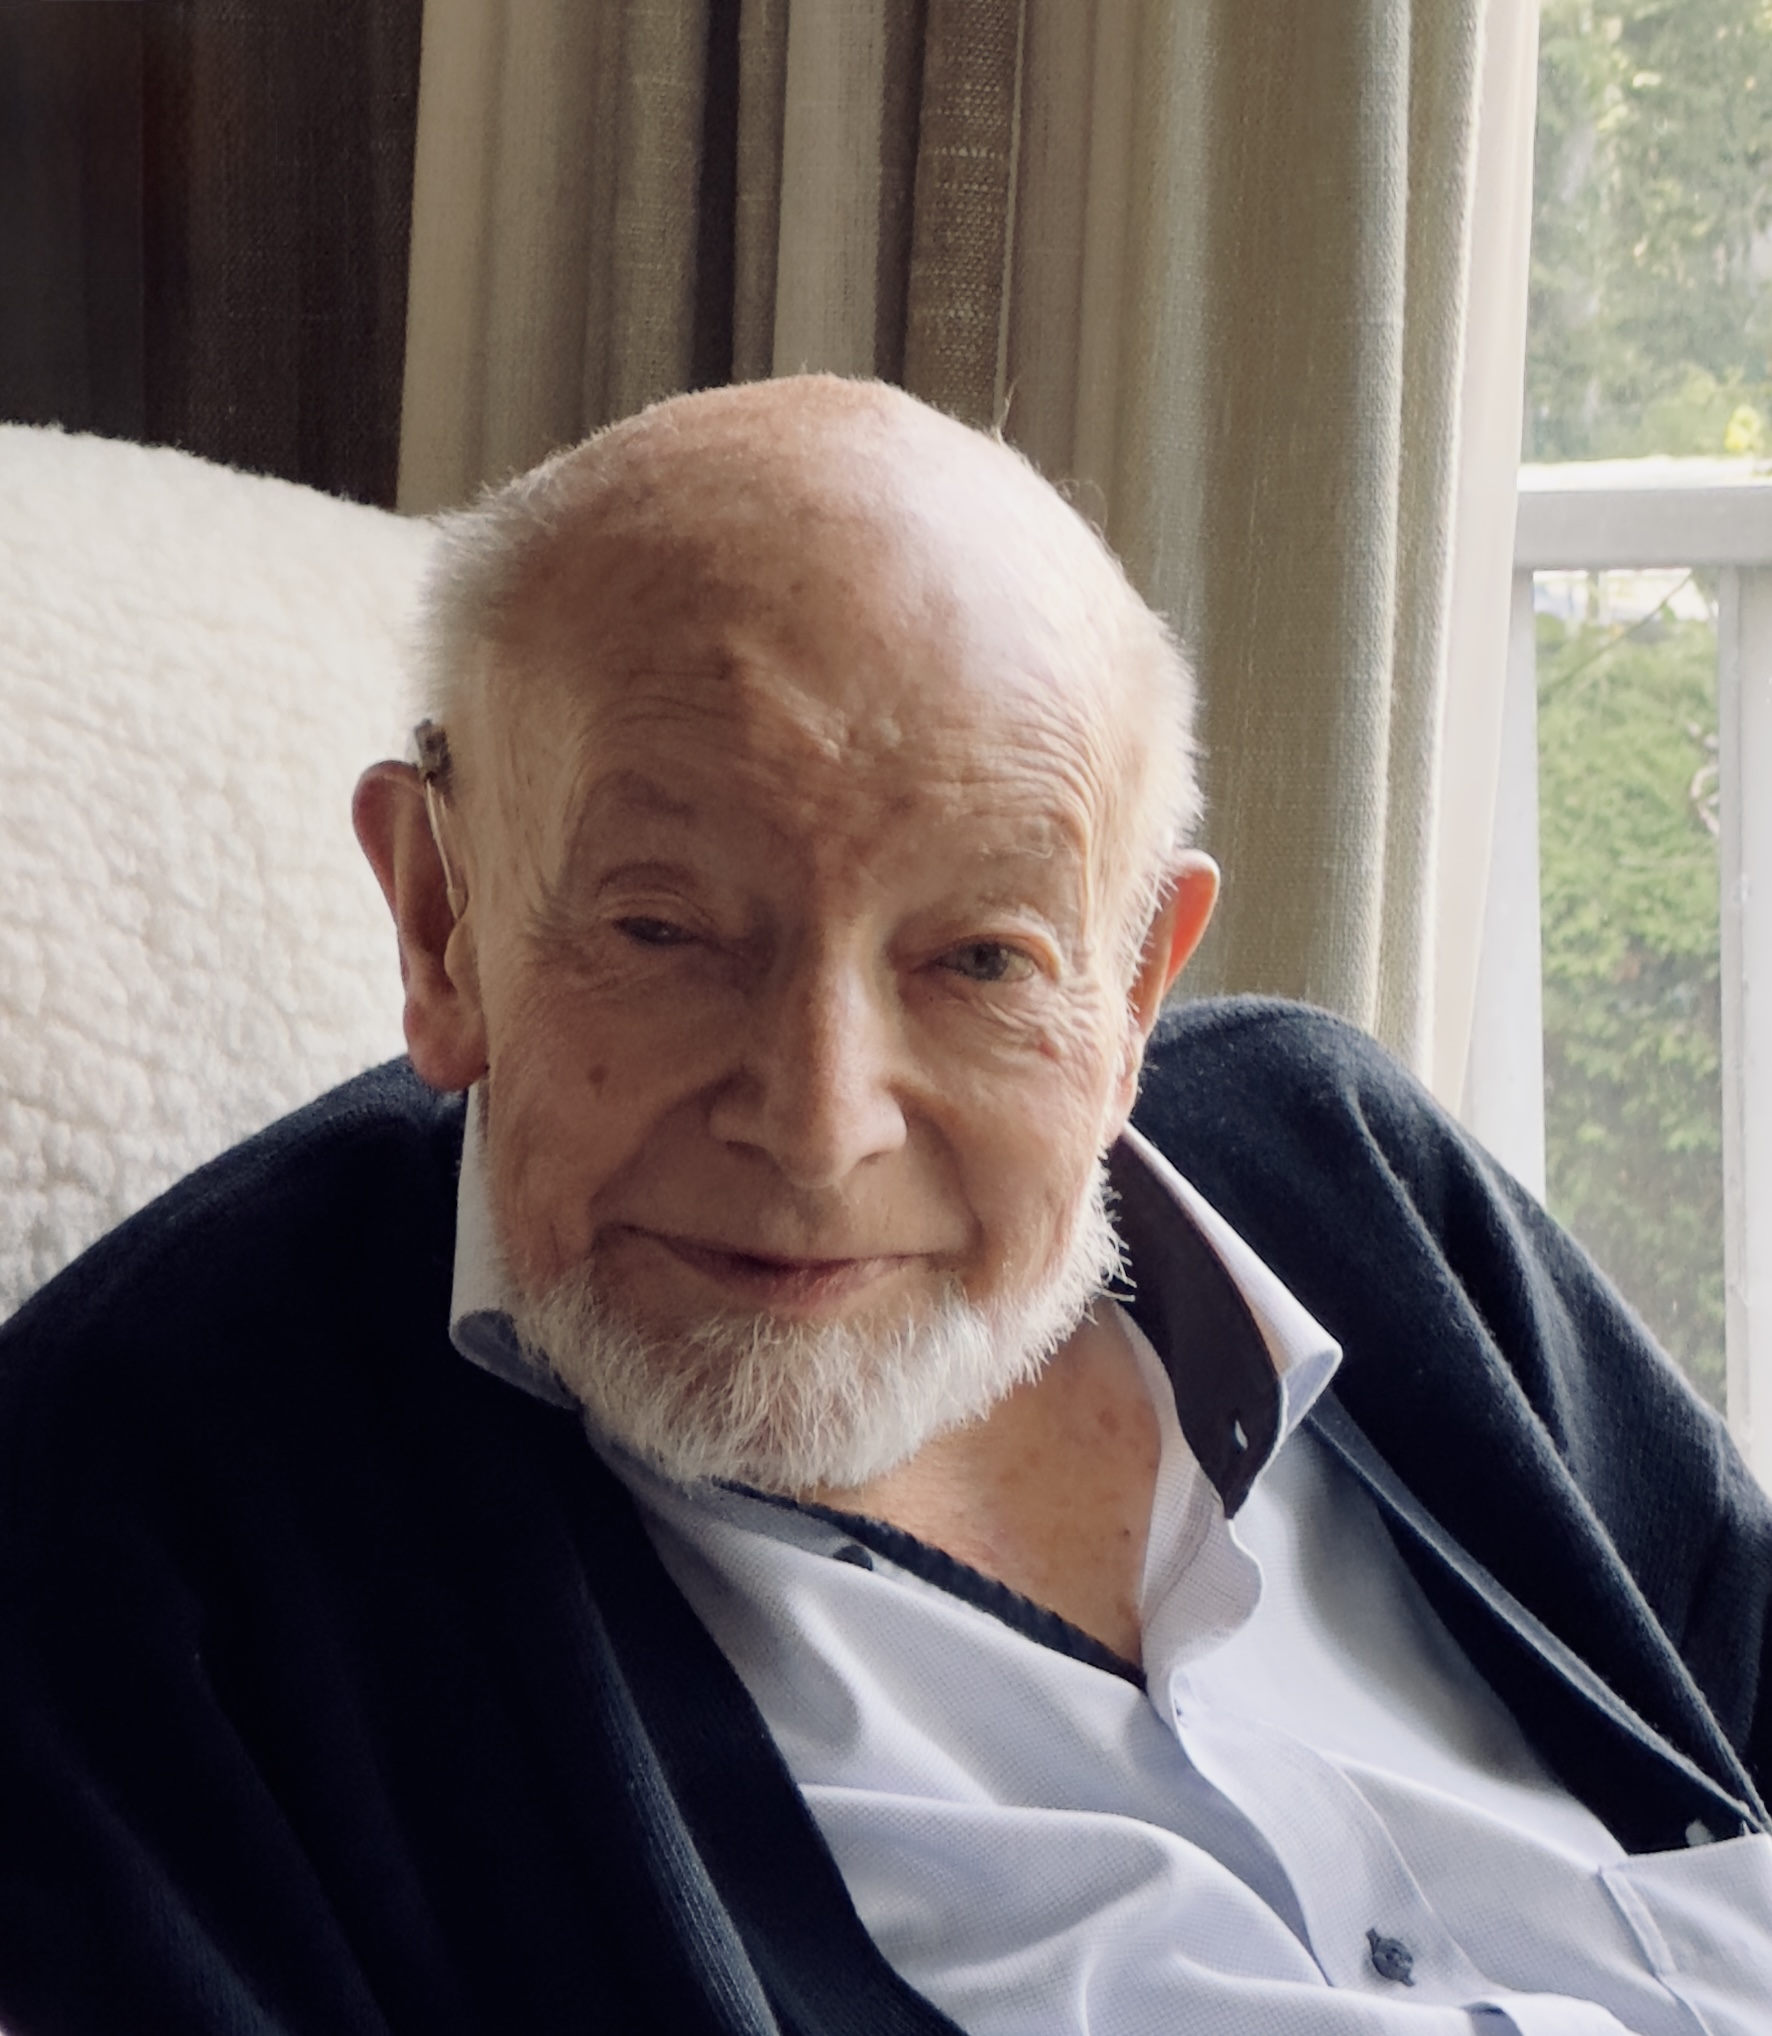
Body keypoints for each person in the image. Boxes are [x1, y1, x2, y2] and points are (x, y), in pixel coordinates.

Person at [1, 375, 1769, 2036]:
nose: (818, 1126)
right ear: (439, 922)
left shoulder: (1348, 1180)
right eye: (666, 931)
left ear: (1135, 991)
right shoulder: (130, 1519)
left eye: (981, 958)